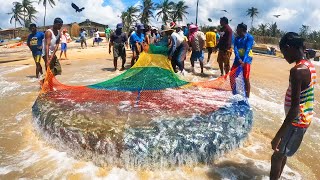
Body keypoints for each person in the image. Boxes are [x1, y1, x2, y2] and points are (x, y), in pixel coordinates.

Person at [270, 32, 317, 180]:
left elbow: (295, 108)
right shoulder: (308, 64)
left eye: (284, 52)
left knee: (276, 156)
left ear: (289, 48)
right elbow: (310, 53)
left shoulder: (297, 71)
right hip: (302, 119)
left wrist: (277, 136)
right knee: (282, 154)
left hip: (297, 120)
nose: (284, 57)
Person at [230, 23, 254, 98]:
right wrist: (239, 59)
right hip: (238, 58)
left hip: (247, 59)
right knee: (232, 75)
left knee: (246, 77)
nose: (236, 30)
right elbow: (235, 49)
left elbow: (248, 49)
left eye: (237, 28)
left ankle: (247, 97)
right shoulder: (236, 38)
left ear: (242, 29)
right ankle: (234, 93)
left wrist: (244, 60)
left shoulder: (249, 37)